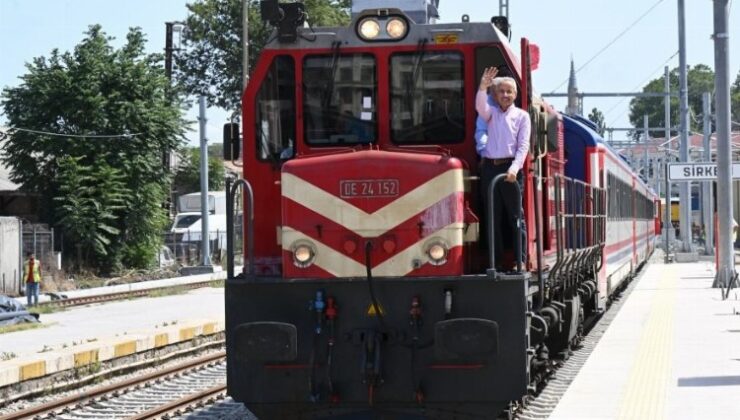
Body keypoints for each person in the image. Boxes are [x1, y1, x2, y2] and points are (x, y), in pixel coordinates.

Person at [475, 67, 531, 271]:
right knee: (493, 216)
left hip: (511, 169)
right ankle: (495, 261)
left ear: (515, 94)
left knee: (516, 216)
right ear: (495, 95)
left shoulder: (522, 116)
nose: (506, 95)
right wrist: (483, 87)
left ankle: (520, 260)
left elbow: (523, 146)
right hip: (491, 167)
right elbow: (481, 106)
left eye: (509, 92)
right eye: (501, 92)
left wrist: (515, 169)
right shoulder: (491, 115)